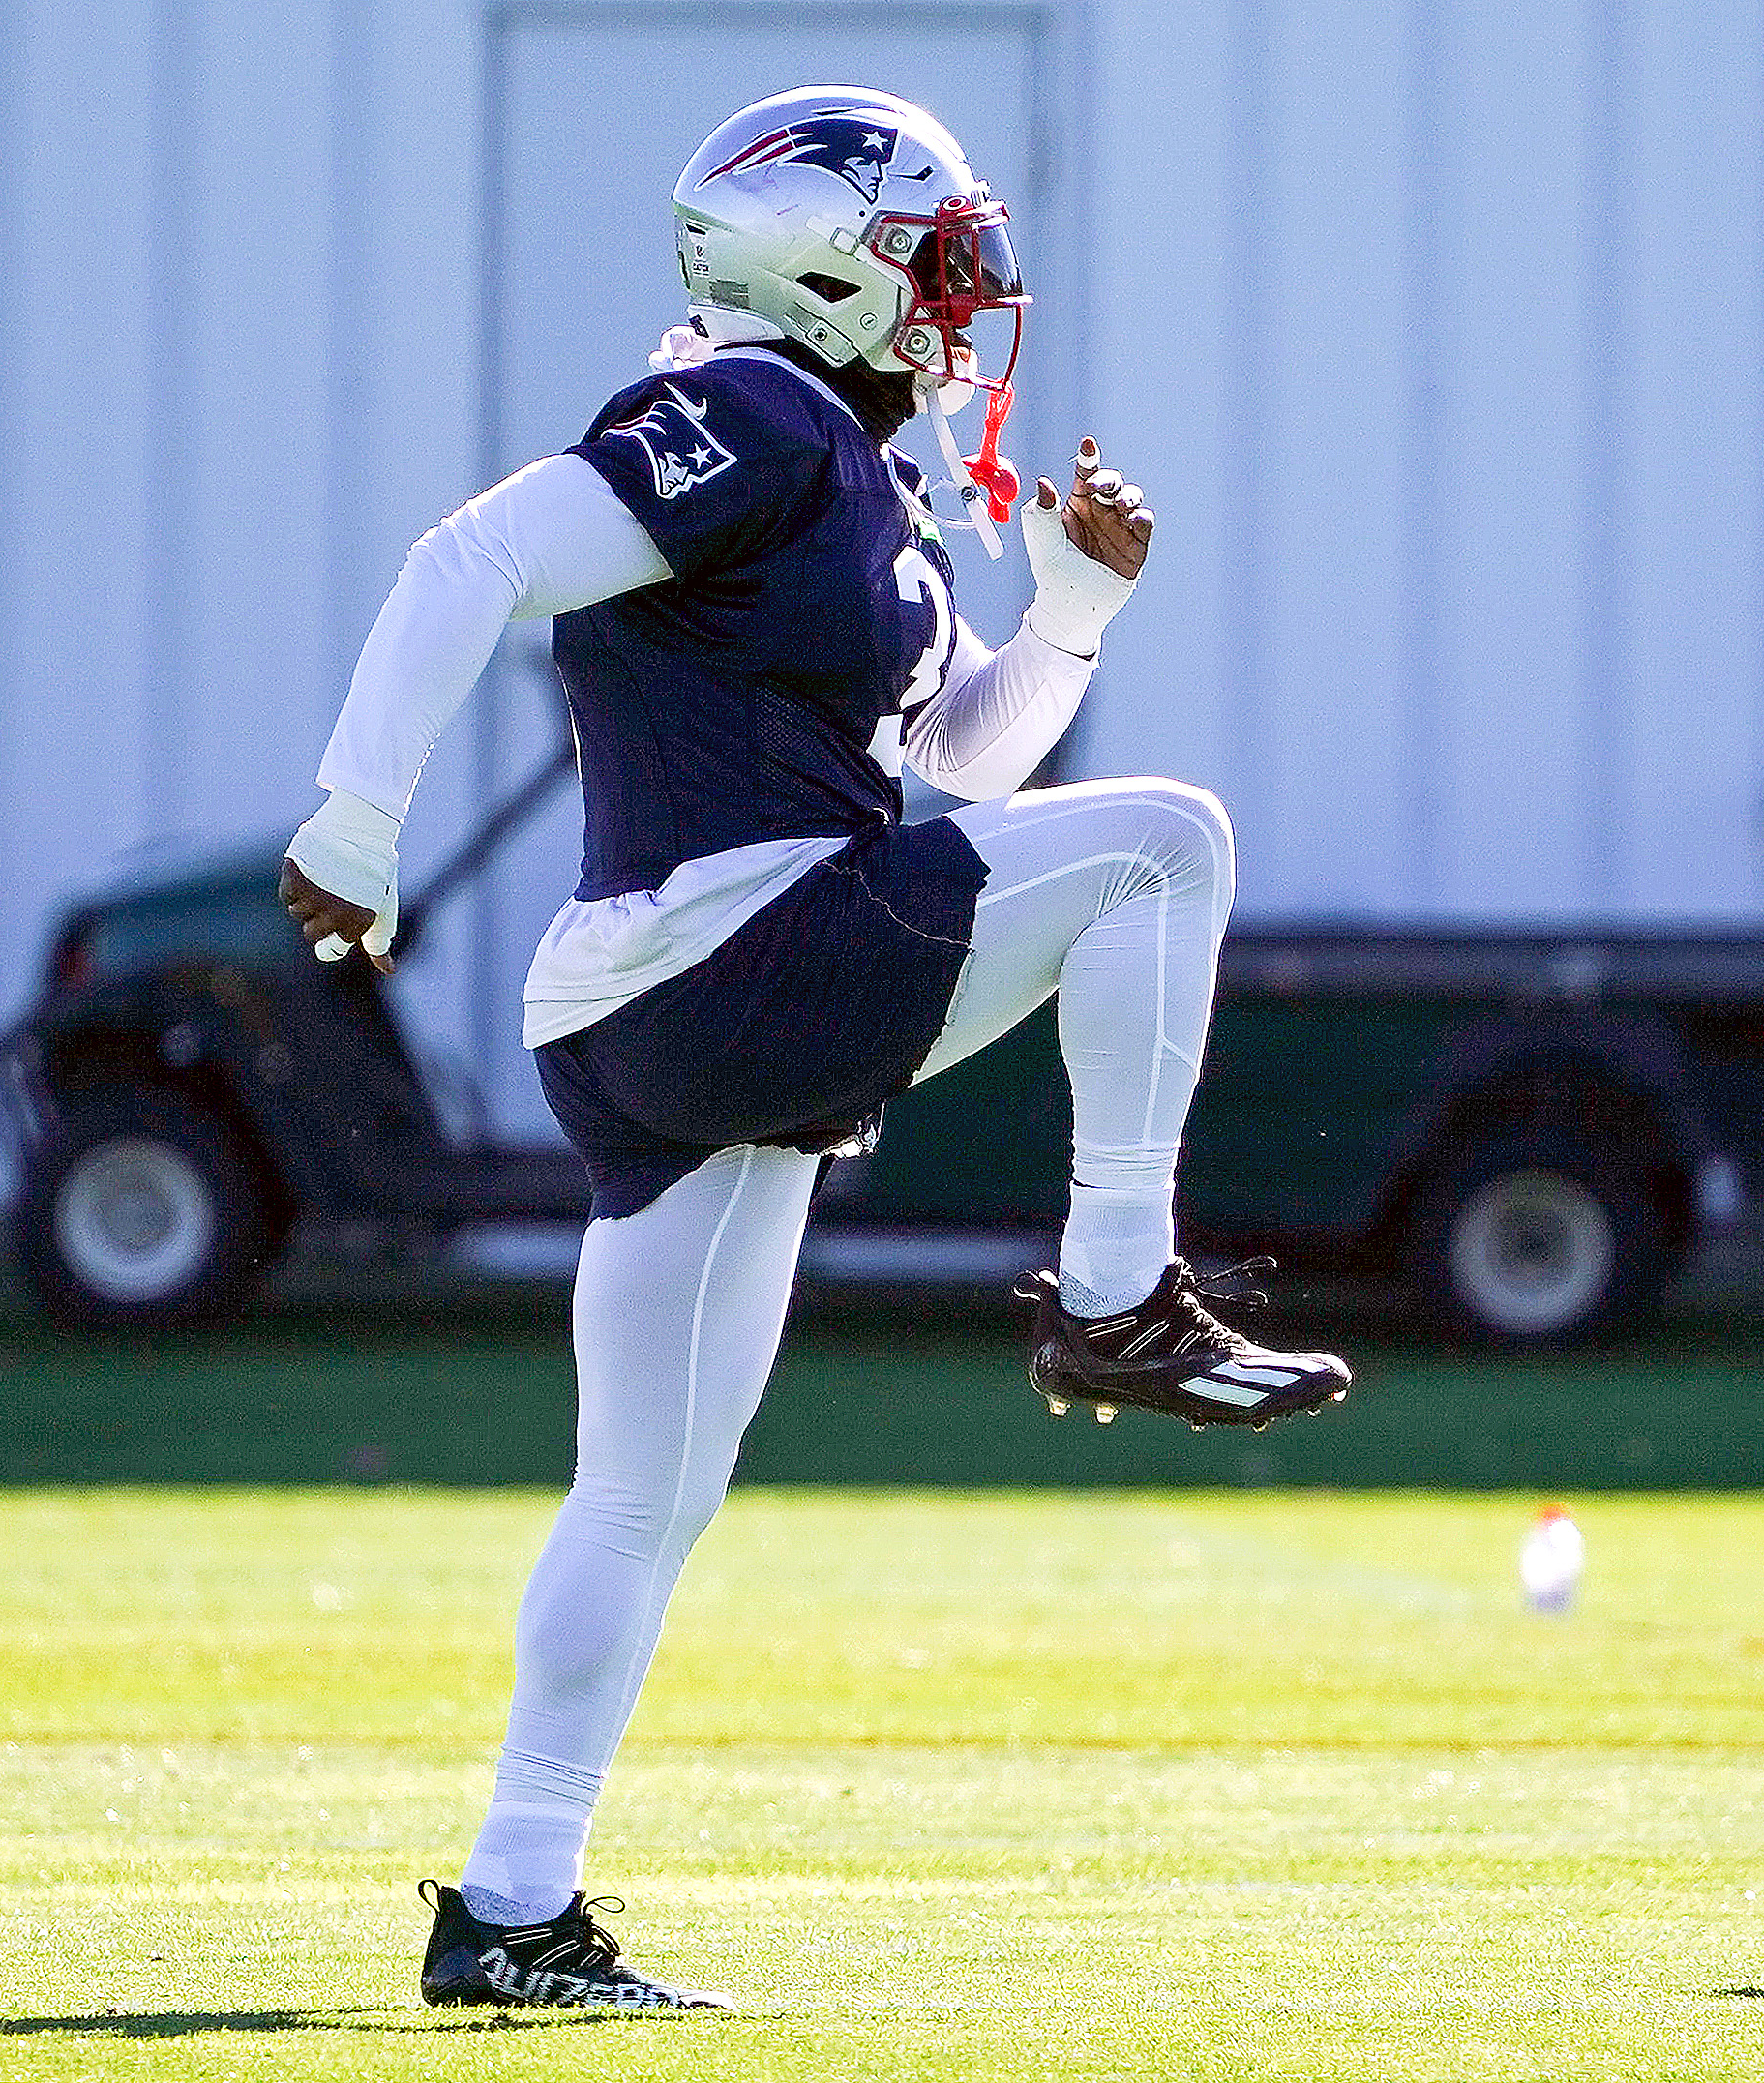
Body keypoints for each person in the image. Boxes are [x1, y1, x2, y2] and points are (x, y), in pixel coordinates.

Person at [279, 86, 1354, 2011]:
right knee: (1167, 845)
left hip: (678, 1005)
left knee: (643, 1500)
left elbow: (936, 773)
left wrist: (1079, 621)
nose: (961, 310)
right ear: (821, 266)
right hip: (728, 958)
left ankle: (513, 1908)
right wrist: (352, 832)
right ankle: (1113, 1295)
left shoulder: (841, 470)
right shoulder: (755, 410)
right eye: (936, 270)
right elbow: (468, 563)